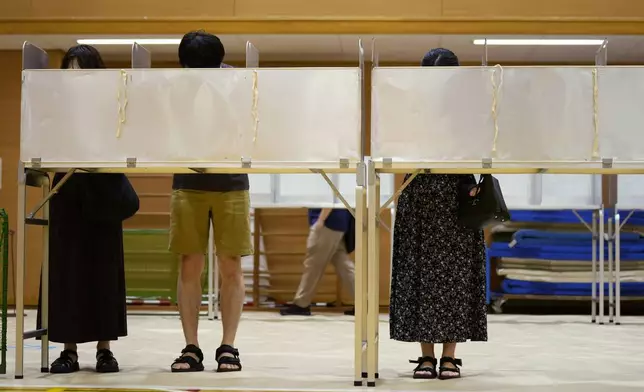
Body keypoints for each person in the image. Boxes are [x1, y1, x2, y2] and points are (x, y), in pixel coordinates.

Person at [36, 45, 140, 374]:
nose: (75, 74)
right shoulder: (54, 106)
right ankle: (68, 350)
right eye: (70, 68)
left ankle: (104, 349)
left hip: (103, 190)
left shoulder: (112, 106)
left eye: (82, 68)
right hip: (66, 190)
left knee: (103, 270)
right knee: (66, 271)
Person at [388, 48, 487, 381]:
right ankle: (426, 356)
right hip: (419, 193)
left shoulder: (467, 111)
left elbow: (476, 152)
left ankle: (448, 356)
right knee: (420, 276)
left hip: (456, 194)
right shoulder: (411, 109)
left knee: (454, 279)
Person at [169, 30, 252, 373]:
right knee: (190, 264)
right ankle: (191, 347)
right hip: (188, 181)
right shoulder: (177, 86)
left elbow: (247, 127)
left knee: (231, 265)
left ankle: (228, 346)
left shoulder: (236, 83)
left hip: (232, 182)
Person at [280, 208, 355, 316]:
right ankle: (364, 303)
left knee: (313, 265)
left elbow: (330, 197)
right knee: (344, 265)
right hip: (339, 221)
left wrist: (321, 220)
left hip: (327, 222)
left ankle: (301, 304)